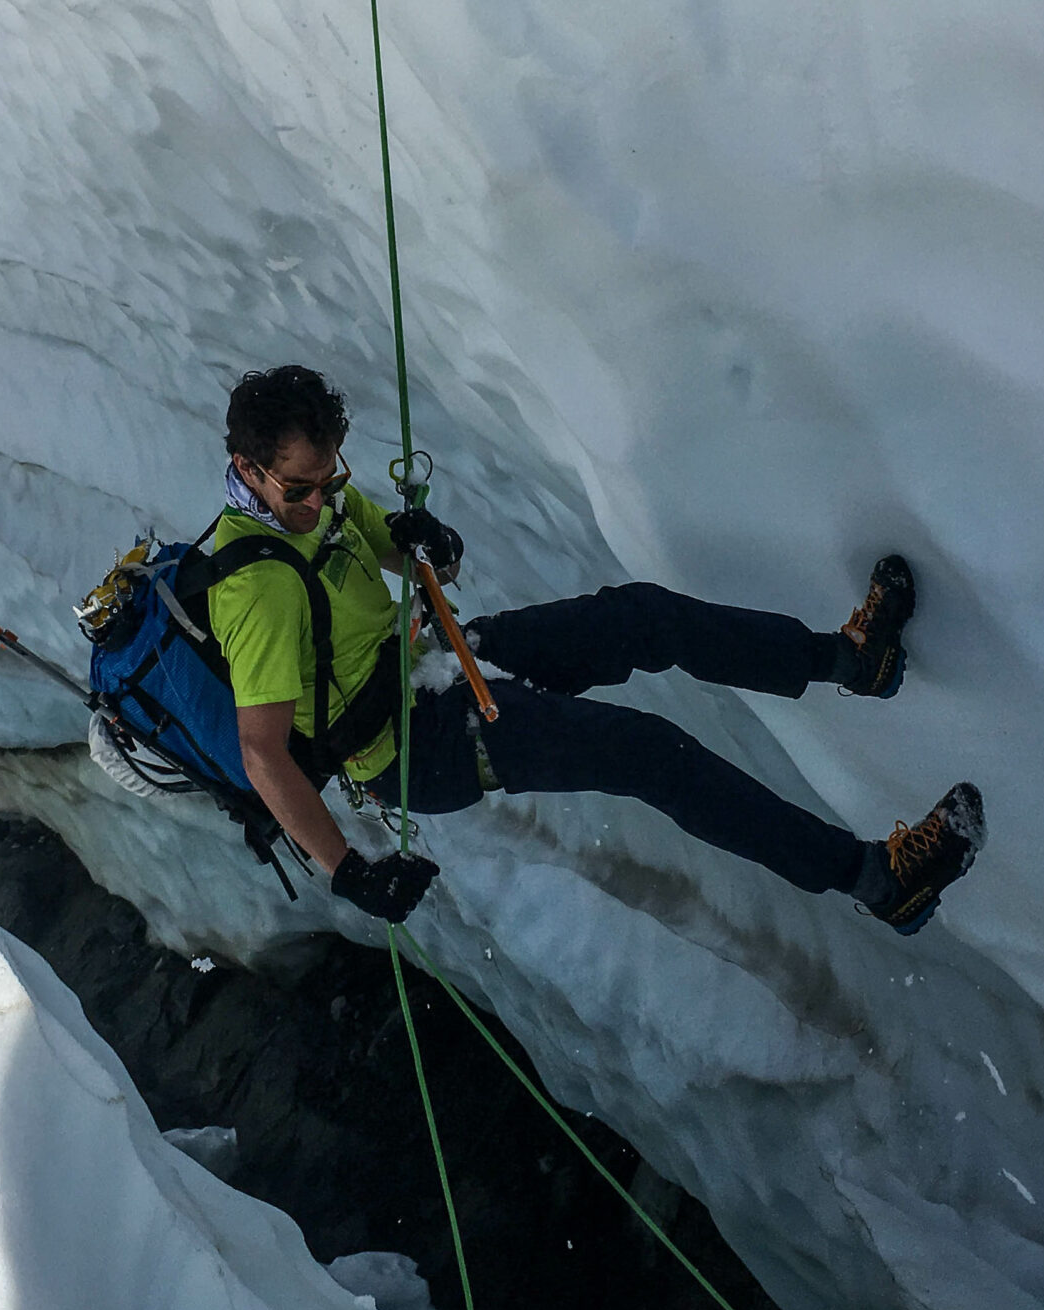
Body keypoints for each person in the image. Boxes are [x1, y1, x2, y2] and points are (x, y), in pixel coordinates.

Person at [209, 365, 985, 935]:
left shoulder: (319, 499)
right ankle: (881, 881)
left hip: (433, 665)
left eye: (331, 478)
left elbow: (416, 559)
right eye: (302, 488)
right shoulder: (256, 592)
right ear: (249, 469)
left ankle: (856, 660)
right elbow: (262, 753)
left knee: (642, 618)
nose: (322, 498)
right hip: (411, 749)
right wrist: (350, 873)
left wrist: (432, 544)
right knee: (645, 754)